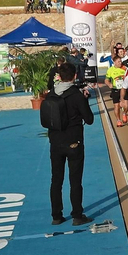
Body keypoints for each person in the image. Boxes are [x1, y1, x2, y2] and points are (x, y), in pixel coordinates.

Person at [39, 63, 95, 226]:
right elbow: (89, 120)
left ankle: (56, 215)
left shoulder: (51, 94)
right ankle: (77, 214)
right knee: (75, 179)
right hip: (73, 141)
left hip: (55, 141)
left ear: (60, 76)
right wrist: (84, 101)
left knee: (56, 179)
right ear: (75, 76)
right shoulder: (76, 95)